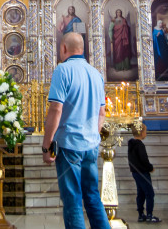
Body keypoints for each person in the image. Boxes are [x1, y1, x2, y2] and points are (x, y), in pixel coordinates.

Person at [41, 32, 109, 229]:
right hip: (90, 145)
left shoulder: (63, 70)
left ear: (64, 48)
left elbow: (56, 109)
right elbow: (102, 112)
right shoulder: (96, 73)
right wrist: (93, 135)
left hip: (69, 144)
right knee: (93, 197)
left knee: (72, 200)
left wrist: (47, 146)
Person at [127, 123, 160, 223]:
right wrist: (150, 168)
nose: (146, 133)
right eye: (145, 131)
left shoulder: (131, 144)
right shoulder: (140, 145)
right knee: (150, 193)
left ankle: (141, 214)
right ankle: (149, 215)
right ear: (141, 133)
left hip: (136, 173)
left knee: (140, 193)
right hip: (143, 172)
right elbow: (144, 159)